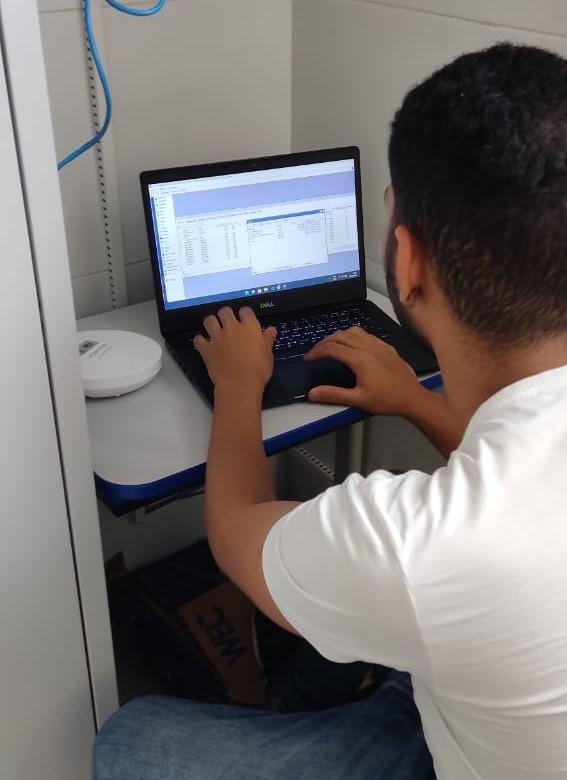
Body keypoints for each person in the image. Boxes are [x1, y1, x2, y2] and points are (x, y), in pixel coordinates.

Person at [93, 43, 567, 779]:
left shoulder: (421, 547)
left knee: (129, 738)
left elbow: (235, 532)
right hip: (502, 691)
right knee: (363, 606)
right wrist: (413, 400)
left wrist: (239, 386)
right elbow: (523, 484)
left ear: (407, 263)